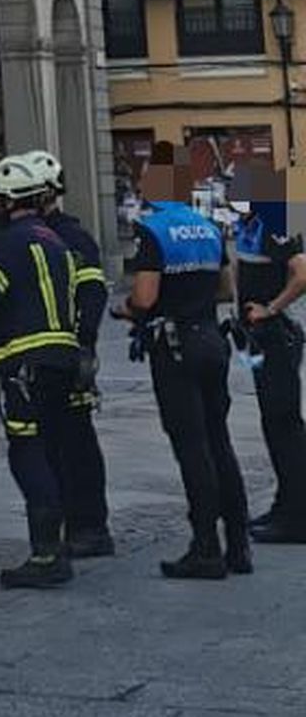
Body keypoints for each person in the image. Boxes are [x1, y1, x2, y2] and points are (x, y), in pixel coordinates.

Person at [114, 164, 250, 578]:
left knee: (191, 446)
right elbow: (226, 288)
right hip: (211, 339)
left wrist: (126, 309)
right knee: (219, 441)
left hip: (174, 347)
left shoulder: (152, 230)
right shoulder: (208, 227)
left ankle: (205, 548)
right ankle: (239, 546)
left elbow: (145, 296)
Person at [0, 154, 81, 589]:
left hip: (24, 365)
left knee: (27, 453)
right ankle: (61, 543)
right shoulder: (57, 242)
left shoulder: (9, 243)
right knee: (53, 450)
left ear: (5, 201)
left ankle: (45, 554)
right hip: (63, 360)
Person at [24, 150, 113, 559]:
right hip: (50, 357)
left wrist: (83, 345)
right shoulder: (45, 236)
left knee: (74, 442)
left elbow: (92, 293)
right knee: (59, 442)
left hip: (64, 356)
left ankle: (89, 527)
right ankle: (74, 524)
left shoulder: (68, 239)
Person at [230, 170, 306, 544]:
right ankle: (286, 503)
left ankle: (297, 516)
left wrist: (270, 309)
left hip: (277, 337)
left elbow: (302, 274)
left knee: (284, 425)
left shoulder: (276, 221)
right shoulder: (251, 223)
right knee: (274, 424)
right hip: (260, 339)